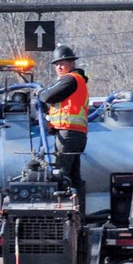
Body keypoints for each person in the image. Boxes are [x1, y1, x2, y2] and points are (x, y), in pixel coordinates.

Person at [38, 44, 90, 209]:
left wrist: (37, 93)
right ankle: (78, 210)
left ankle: (64, 210)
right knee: (74, 175)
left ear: (72, 63)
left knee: (62, 173)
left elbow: (47, 96)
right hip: (76, 134)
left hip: (69, 133)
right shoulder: (78, 81)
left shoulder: (70, 79)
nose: (59, 67)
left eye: (63, 63)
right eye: (57, 64)